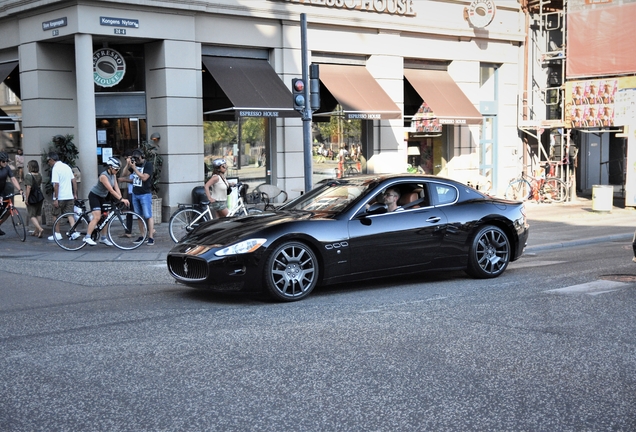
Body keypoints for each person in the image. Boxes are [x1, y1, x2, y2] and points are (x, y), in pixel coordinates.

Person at [84, 157, 129, 246]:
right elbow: (111, 190)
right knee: (97, 217)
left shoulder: (113, 175)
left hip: (103, 197)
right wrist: (121, 199)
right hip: (95, 196)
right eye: (116, 169)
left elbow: (116, 187)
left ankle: (103, 238)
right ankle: (87, 237)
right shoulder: (103, 176)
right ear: (110, 167)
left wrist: (121, 198)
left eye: (118, 169)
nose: (117, 171)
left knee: (106, 217)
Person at [47, 151, 78, 241]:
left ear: (52, 160)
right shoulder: (66, 167)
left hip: (60, 196)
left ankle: (57, 233)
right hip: (69, 195)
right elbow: (74, 180)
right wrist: (74, 194)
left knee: (55, 215)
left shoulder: (56, 169)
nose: (48, 163)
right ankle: (74, 232)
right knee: (70, 214)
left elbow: (56, 184)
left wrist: (56, 198)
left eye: (48, 161)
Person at [126, 149, 155, 245]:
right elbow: (124, 174)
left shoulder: (148, 165)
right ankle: (142, 236)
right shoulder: (135, 164)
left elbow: (144, 177)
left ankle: (150, 237)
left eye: (138, 159)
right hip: (135, 193)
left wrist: (134, 168)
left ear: (142, 157)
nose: (137, 161)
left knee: (148, 216)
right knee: (139, 216)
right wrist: (128, 164)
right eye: (135, 159)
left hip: (145, 194)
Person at [0, 151, 24, 236]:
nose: (5, 163)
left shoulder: (6, 168)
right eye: (3, 161)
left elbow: (13, 179)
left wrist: (20, 189)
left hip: (2, 191)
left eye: (6, 161)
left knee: (8, 210)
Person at [24, 160, 44, 238]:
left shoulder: (28, 176)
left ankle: (39, 228)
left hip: (32, 197)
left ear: (30, 167)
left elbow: (28, 187)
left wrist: (26, 198)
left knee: (32, 215)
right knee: (38, 213)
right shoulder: (39, 175)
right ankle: (36, 231)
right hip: (39, 196)